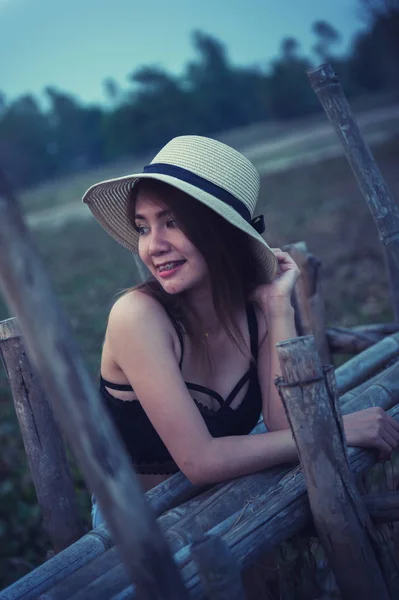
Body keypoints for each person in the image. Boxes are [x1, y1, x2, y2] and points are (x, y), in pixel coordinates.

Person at [83, 135, 399, 527]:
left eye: (172, 222)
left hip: (226, 510)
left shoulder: (255, 309)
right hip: (141, 533)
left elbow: (283, 424)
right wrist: (331, 431)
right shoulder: (137, 315)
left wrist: (277, 308)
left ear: (221, 230)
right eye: (143, 227)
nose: (153, 246)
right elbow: (199, 460)